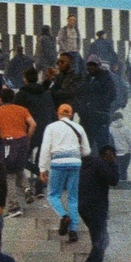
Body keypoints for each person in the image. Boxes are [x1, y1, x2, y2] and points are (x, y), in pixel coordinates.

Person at [36, 103, 90, 241]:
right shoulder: (79, 128)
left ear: (58, 114)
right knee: (73, 198)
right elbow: (87, 151)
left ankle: (64, 216)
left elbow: (45, 148)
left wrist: (43, 168)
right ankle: (73, 231)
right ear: (71, 114)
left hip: (58, 163)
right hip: (75, 163)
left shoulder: (51, 127)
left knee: (53, 195)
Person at [76, 145, 118, 262]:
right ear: (109, 155)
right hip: (95, 208)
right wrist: (113, 163)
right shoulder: (101, 164)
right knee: (102, 241)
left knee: (101, 241)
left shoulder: (89, 164)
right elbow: (114, 180)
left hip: (86, 207)